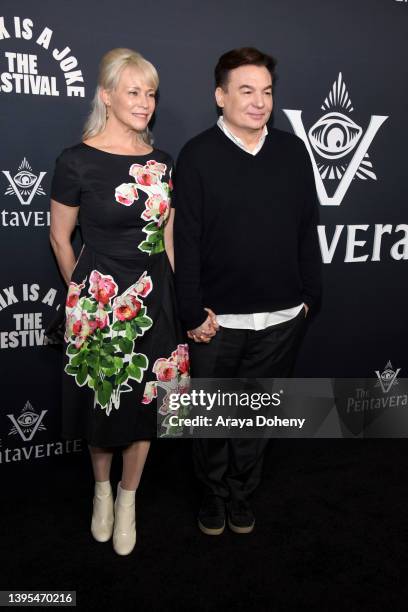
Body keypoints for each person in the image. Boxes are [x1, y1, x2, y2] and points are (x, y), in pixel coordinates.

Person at [174, 47, 321, 535]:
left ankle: (241, 493)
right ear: (221, 97)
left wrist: (309, 297)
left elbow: (307, 228)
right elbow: (186, 240)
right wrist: (191, 310)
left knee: (257, 418)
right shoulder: (197, 155)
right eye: (246, 91)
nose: (259, 102)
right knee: (212, 419)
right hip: (218, 323)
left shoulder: (293, 150)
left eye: (267, 92)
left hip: (281, 319)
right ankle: (213, 495)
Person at [49, 48, 188, 555]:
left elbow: (169, 240)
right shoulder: (76, 161)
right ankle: (102, 491)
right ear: (106, 96)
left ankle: (129, 498)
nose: (145, 102)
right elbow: (61, 238)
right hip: (100, 302)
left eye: (150, 93)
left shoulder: (161, 162)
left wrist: (183, 301)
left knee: (147, 405)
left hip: (156, 301)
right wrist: (82, 294)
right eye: (133, 91)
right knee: (101, 402)